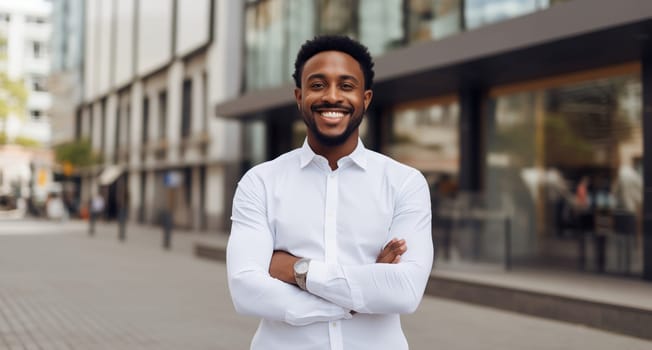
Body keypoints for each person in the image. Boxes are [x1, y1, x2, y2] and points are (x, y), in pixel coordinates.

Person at [226, 35, 433, 350]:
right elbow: (245, 291)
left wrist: (298, 270)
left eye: (346, 86)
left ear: (366, 98)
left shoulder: (404, 183)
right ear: (300, 96)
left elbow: (404, 291)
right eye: (318, 85)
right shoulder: (260, 183)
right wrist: (361, 292)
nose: (332, 97)